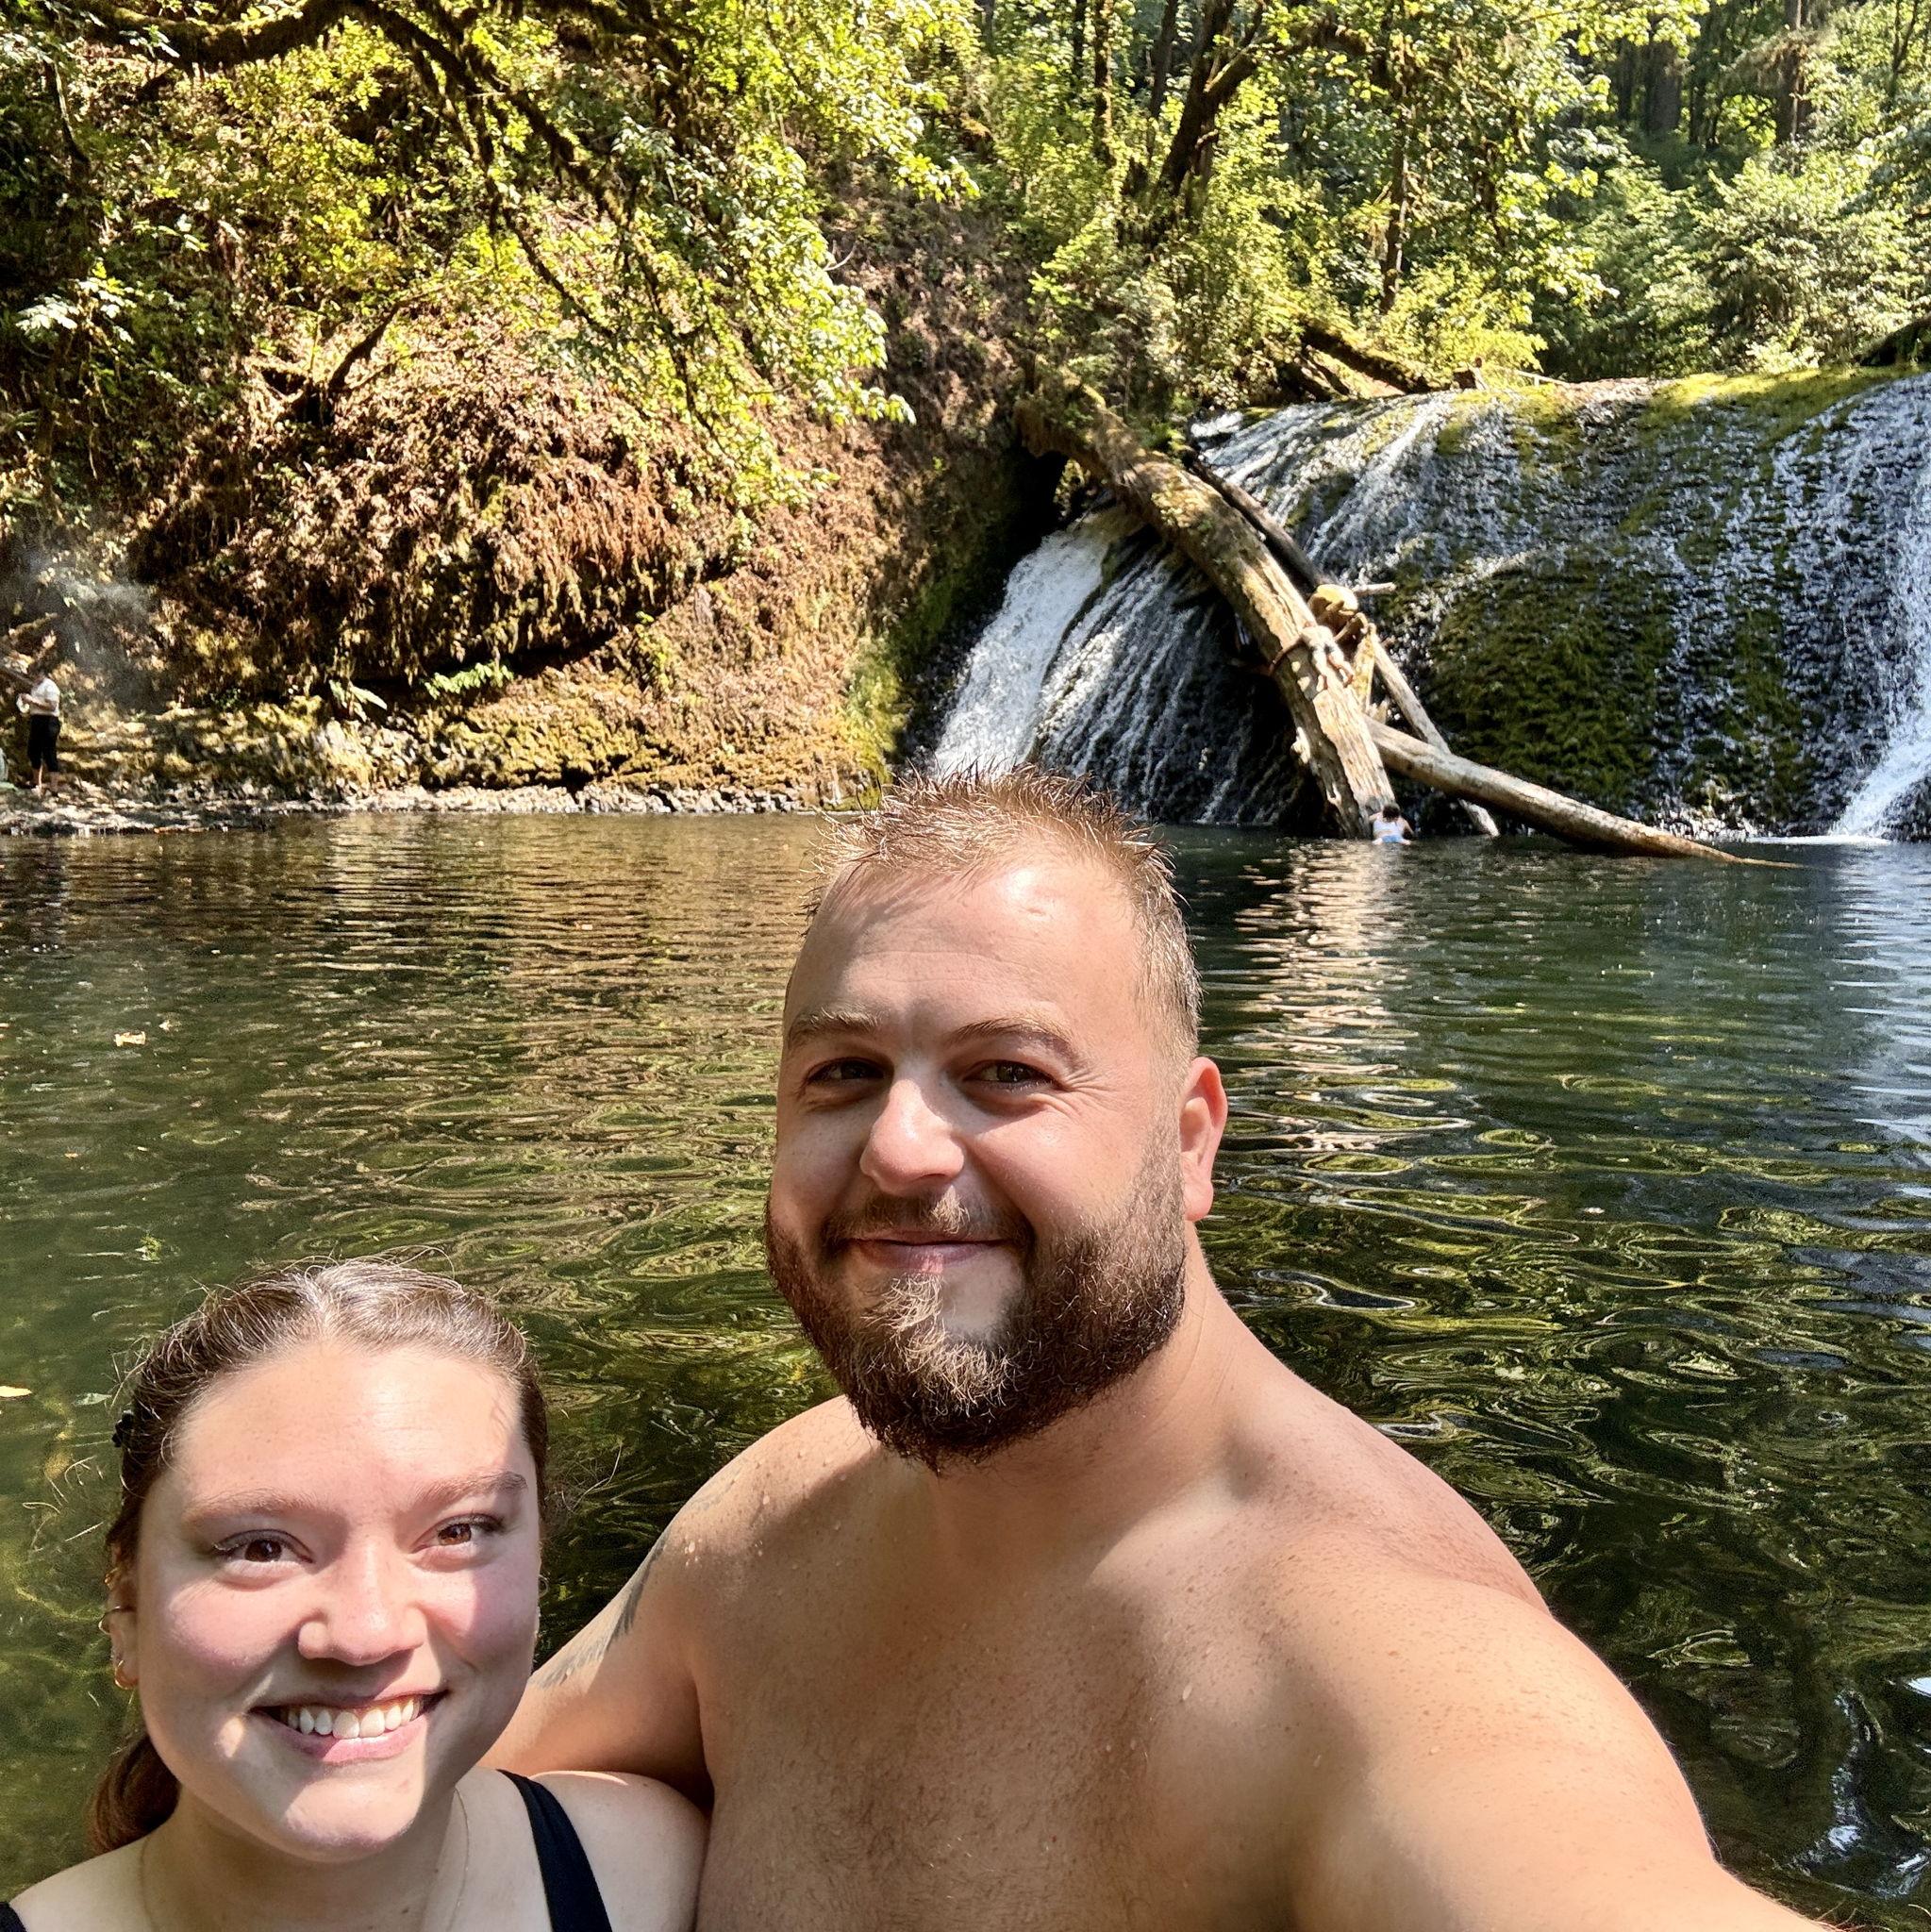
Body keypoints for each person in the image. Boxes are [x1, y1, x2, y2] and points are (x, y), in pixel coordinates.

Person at [497, 768, 1817, 1930]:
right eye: (841, 1073)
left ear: (1189, 1142)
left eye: (1006, 1071)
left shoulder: (1372, 1658)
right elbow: (432, 1793)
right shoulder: (773, 1523)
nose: (899, 1149)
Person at [6, 1260, 702, 1932]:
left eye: (458, 1531)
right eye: (260, 1547)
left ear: (537, 1566)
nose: (366, 1632)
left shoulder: (657, 1875)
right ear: (126, 1609)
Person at [16, 667, 59, 795]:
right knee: (33, 751)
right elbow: (36, 704)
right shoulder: (36, 687)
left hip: (49, 721)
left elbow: (52, 706)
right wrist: (25, 702)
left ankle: (54, 789)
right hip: (36, 720)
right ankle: (36, 783)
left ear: (42, 673)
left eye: (35, 674)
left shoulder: (50, 686)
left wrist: (32, 700)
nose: (33, 677)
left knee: (49, 752)